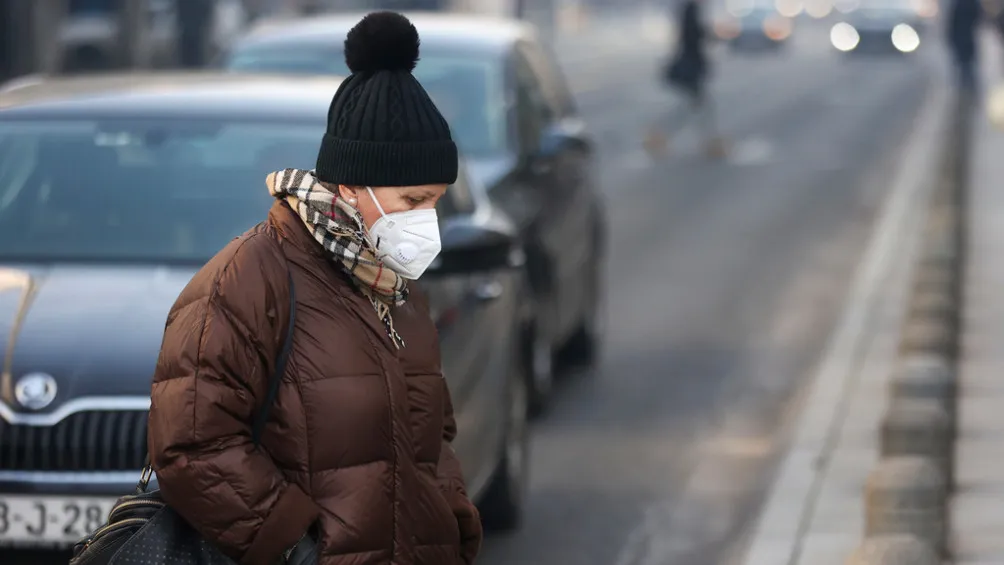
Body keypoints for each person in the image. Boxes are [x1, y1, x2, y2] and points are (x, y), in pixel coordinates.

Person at [147, 11, 483, 565]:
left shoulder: (394, 287)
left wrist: (454, 523)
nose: (428, 221)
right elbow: (192, 444)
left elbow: (430, 441)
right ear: (352, 186)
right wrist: (294, 547)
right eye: (414, 201)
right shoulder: (249, 280)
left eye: (437, 201)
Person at [645, 0, 727, 159]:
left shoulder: (690, 9)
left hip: (691, 64)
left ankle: (659, 134)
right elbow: (692, 36)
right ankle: (710, 141)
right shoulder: (691, 9)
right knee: (698, 106)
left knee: (697, 105)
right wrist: (713, 35)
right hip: (690, 66)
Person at [946, 0, 982, 95]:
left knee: (964, 67)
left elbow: (952, 23)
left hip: (962, 40)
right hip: (968, 40)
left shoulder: (959, 4)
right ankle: (969, 89)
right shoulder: (972, 3)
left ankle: (967, 90)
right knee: (967, 66)